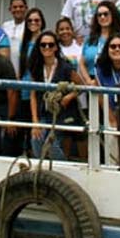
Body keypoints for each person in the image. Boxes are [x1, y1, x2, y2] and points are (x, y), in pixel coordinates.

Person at [29, 32, 83, 160]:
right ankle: (42, 170)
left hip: (60, 114)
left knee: (52, 145)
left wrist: (68, 97)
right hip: (44, 113)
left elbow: (80, 86)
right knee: (36, 140)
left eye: (50, 44)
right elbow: (33, 95)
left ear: (55, 47)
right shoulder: (36, 67)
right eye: (43, 45)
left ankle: (61, 171)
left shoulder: (65, 67)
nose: (47, 47)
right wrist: (35, 122)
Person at [79, 0, 120, 82]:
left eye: (106, 14)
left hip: (111, 82)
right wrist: (89, 81)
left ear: (113, 15)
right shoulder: (90, 39)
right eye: (99, 15)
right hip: (91, 83)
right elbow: (82, 63)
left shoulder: (119, 39)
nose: (102, 17)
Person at [1, 0, 28, 72]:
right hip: (7, 67)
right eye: (15, 7)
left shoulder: (29, 26)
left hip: (24, 68)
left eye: (21, 7)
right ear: (10, 9)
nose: (18, 9)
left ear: (26, 8)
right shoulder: (5, 26)